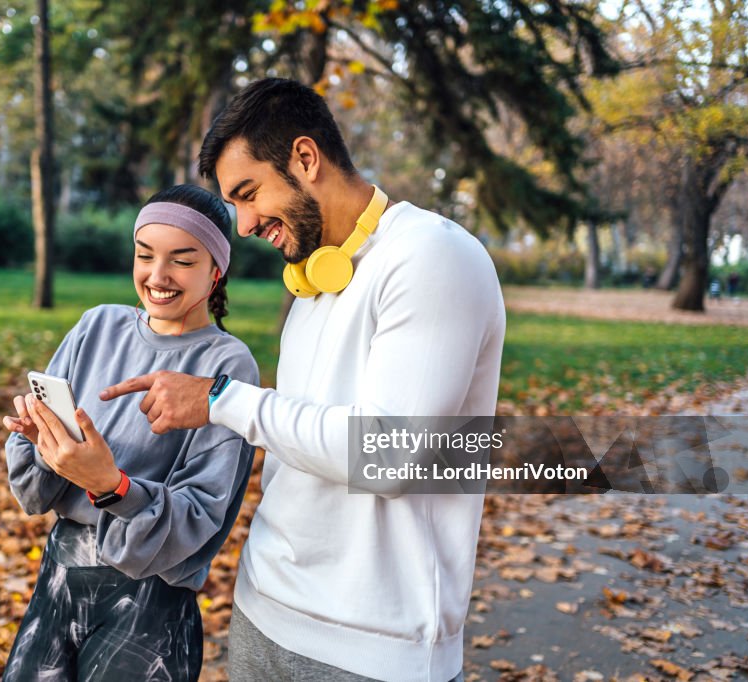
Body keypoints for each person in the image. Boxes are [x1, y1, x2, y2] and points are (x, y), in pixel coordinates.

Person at [100, 78, 506, 682]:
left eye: (248, 193)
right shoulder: (314, 277)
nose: (241, 225)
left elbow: (389, 454)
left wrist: (222, 399)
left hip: (375, 647)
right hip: (264, 608)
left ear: (306, 158)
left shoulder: (432, 258)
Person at [0, 184, 259, 681]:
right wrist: (41, 442)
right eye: (145, 255)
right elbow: (37, 493)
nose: (157, 276)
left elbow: (201, 515)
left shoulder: (228, 365)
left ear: (216, 269)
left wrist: (111, 486)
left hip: (148, 608)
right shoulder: (96, 326)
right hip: (58, 582)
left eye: (182, 260)